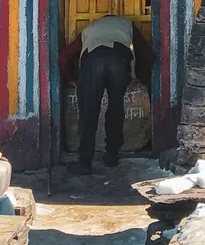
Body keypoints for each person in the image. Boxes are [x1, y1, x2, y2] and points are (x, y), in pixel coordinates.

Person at [60, 15, 154, 175]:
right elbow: (148, 55)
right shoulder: (128, 26)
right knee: (116, 108)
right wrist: (137, 77)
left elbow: (64, 57)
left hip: (92, 61)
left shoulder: (89, 29)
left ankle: (84, 162)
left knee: (88, 111)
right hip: (118, 60)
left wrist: (72, 79)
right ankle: (112, 155)